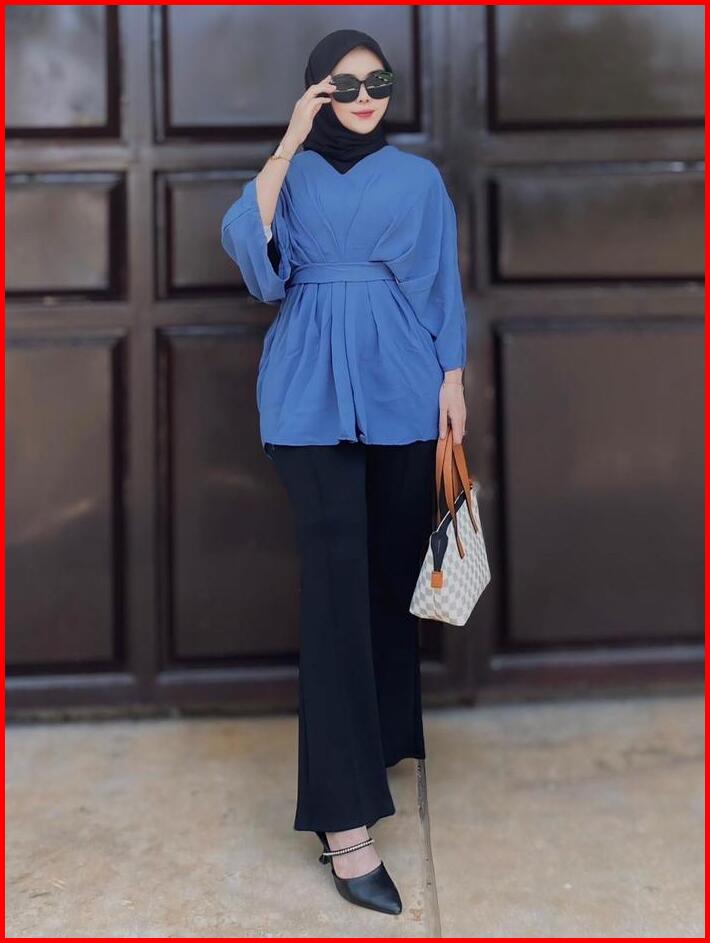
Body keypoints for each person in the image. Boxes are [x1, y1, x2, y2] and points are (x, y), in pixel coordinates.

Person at [220, 29, 467, 916]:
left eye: (377, 83)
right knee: (333, 595)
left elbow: (440, 282)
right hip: (307, 397)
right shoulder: (289, 175)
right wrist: (288, 141)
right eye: (344, 85)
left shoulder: (419, 180)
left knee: (388, 580)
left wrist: (452, 378)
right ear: (316, 91)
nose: (364, 98)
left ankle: (381, 739)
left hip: (404, 389)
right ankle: (346, 825)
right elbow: (252, 259)